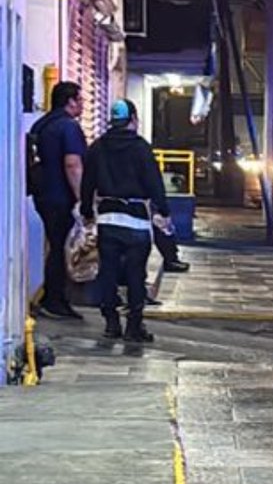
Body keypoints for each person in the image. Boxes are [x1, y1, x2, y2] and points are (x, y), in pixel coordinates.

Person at [80, 100, 168, 343]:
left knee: (108, 272)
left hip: (108, 219)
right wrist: (164, 210)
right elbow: (154, 182)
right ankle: (134, 326)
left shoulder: (97, 147)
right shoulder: (141, 147)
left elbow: (87, 183)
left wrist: (87, 211)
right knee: (135, 274)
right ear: (133, 119)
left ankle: (110, 323)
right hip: (136, 220)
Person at [28, 82, 88, 320]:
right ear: (70, 101)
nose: (83, 104)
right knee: (61, 248)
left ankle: (50, 298)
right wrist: (81, 199)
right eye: (80, 100)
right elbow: (72, 164)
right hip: (61, 196)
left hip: (43, 195)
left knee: (54, 245)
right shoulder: (68, 127)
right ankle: (55, 300)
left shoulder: (41, 124)